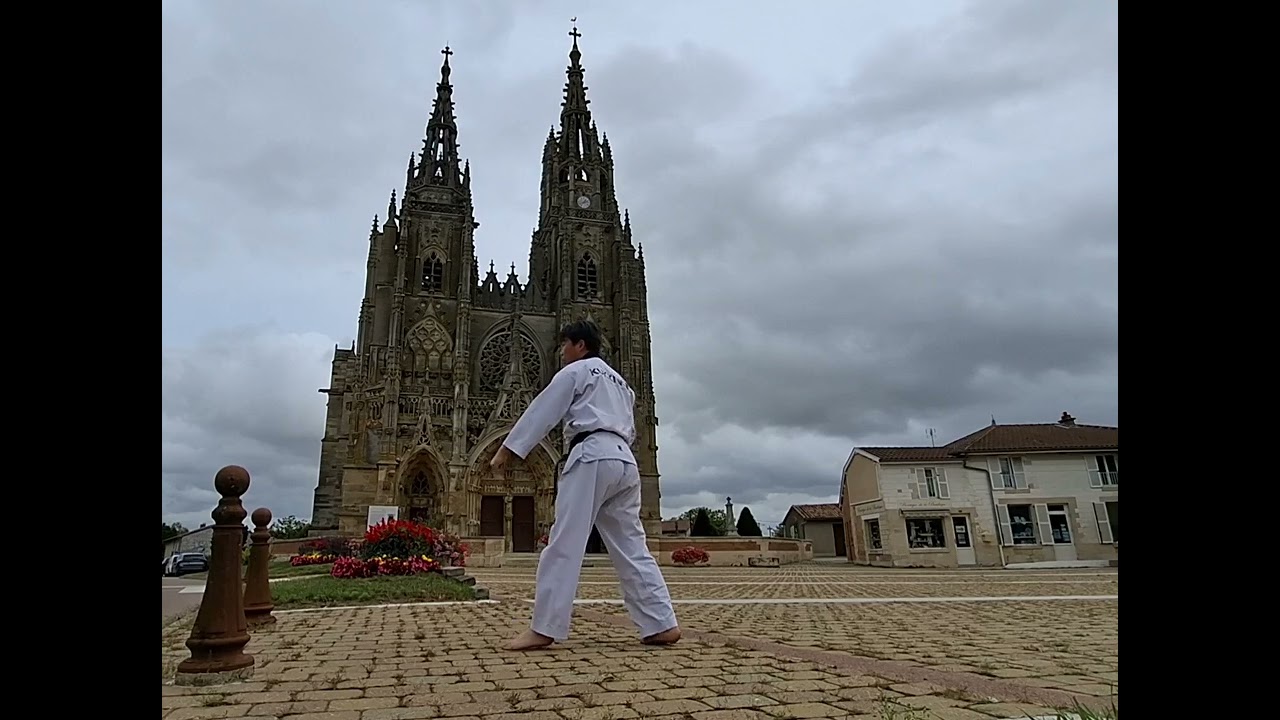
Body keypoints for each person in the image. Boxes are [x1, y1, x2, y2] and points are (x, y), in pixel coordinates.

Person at [491, 319, 680, 651]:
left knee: (564, 542)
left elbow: (543, 411)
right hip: (624, 460)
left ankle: (544, 628)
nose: (562, 351)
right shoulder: (621, 383)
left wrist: (508, 449)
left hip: (591, 455)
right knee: (632, 546)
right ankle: (661, 623)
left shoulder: (575, 372)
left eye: (565, 344)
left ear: (581, 345)